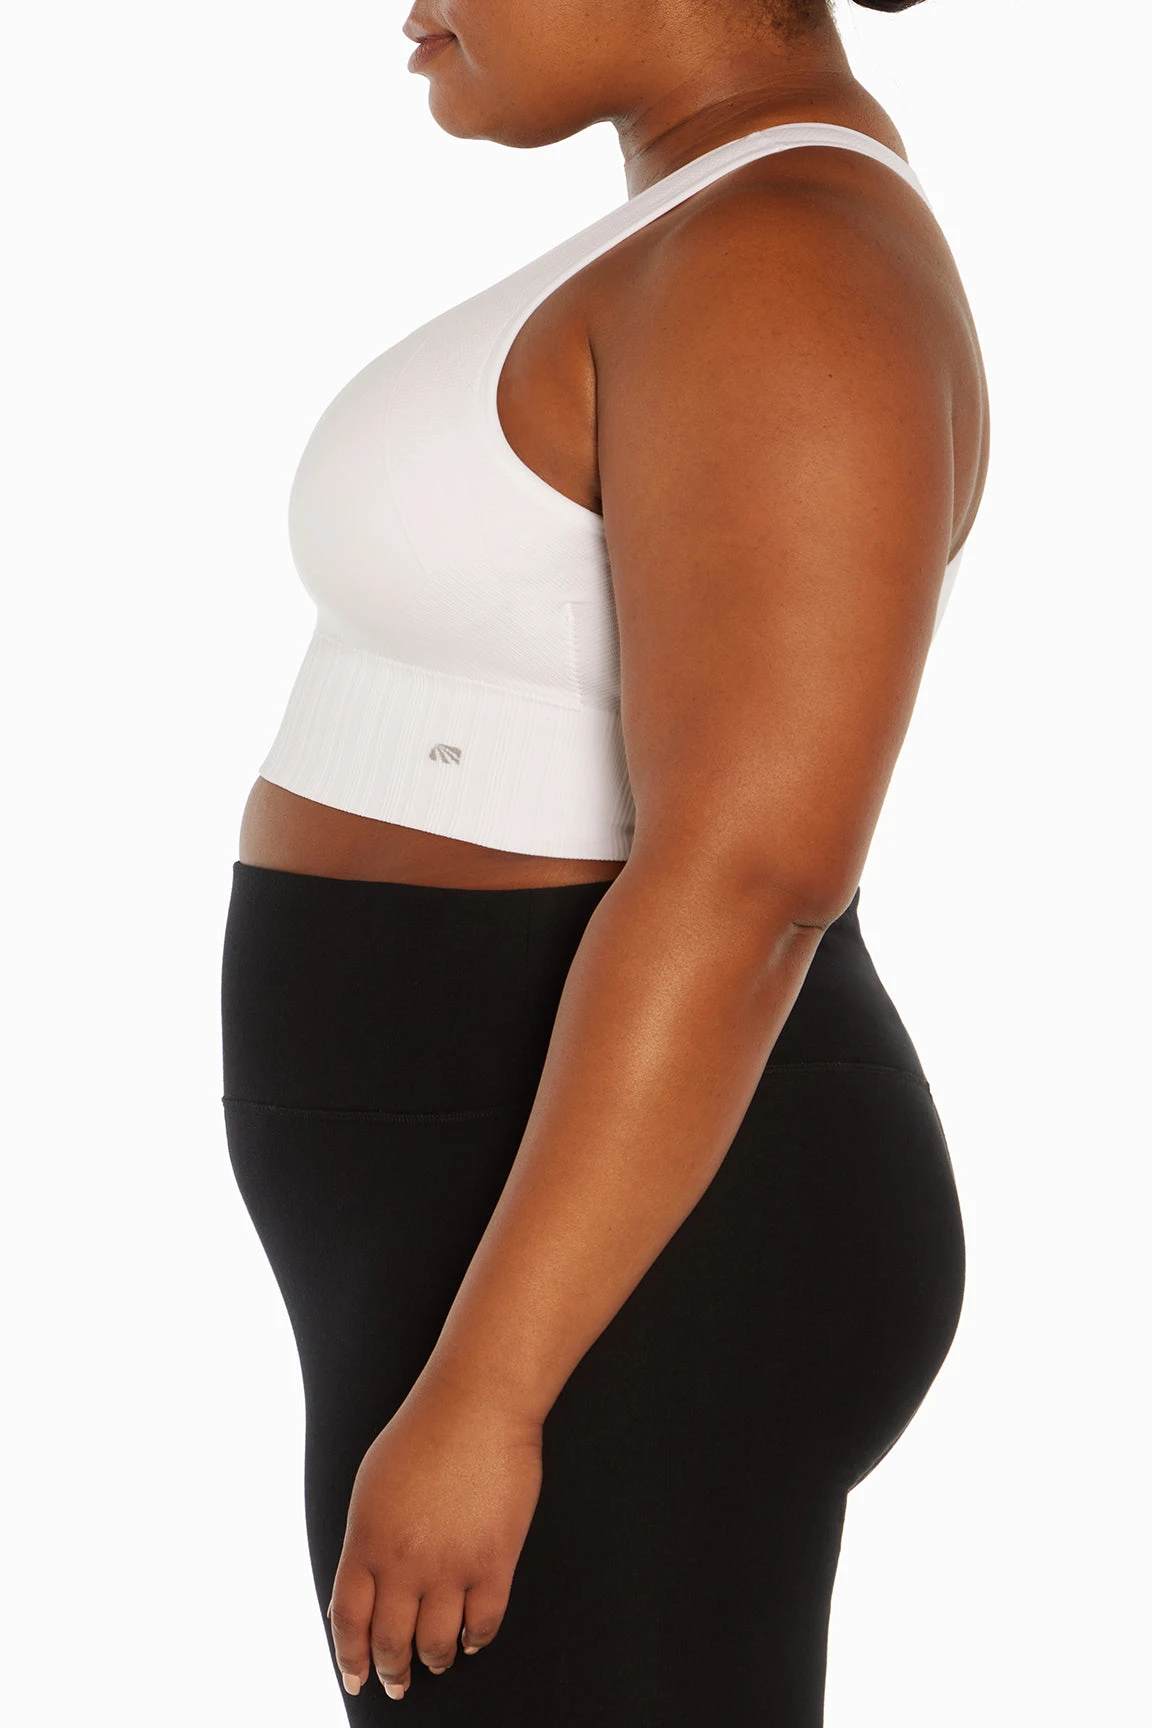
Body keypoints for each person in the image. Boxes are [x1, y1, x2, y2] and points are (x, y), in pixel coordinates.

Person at [219, 0, 989, 1720]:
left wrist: (491, 1393)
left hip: (621, 1265)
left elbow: (758, 874)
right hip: (499, 1223)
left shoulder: (790, 259)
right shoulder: (705, 227)